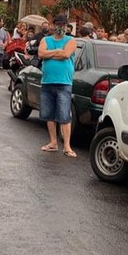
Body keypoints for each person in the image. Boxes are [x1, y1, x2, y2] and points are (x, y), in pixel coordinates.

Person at [38, 14, 79, 158]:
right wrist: (57, 52)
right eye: (58, 24)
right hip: (47, 81)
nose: (60, 27)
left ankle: (67, 146)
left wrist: (50, 54)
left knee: (64, 115)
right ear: (52, 25)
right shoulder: (45, 39)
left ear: (66, 27)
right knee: (49, 115)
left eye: (63, 25)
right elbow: (41, 53)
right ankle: (53, 142)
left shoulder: (71, 40)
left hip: (64, 82)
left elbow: (66, 54)